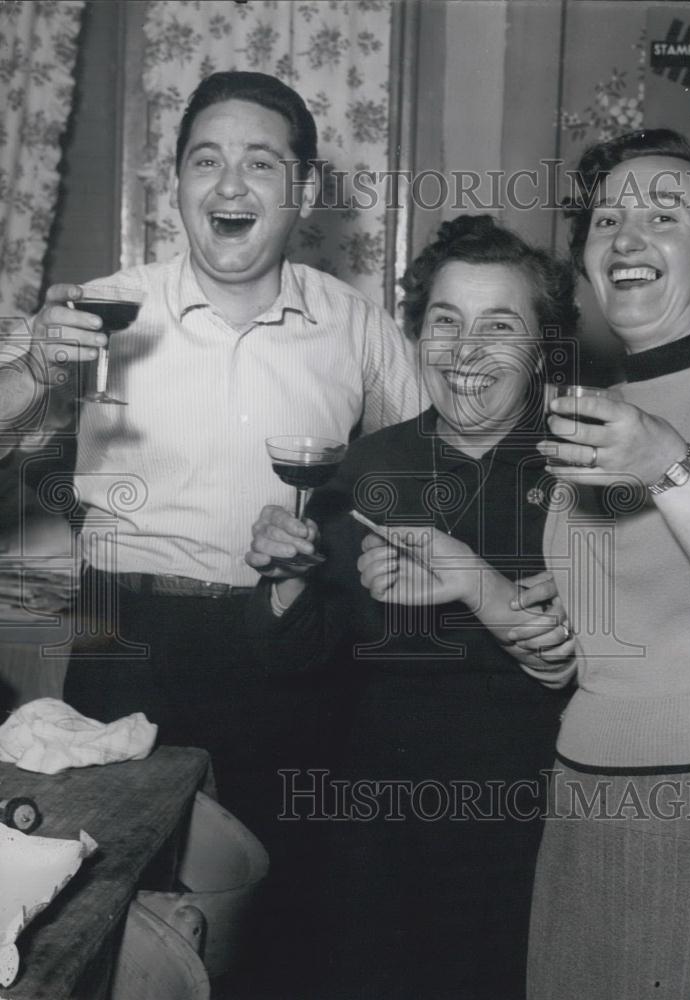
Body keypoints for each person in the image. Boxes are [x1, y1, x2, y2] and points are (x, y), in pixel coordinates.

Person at [0, 71, 421, 829]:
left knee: (283, 903)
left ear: (303, 184)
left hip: (291, 643)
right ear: (176, 181)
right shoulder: (102, 307)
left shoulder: (356, 327)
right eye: (205, 160)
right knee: (112, 883)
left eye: (259, 161)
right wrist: (31, 371)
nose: (229, 185)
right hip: (122, 636)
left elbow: (430, 474)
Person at [246, 214, 577, 999]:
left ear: (542, 347)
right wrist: (286, 577)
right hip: (376, 826)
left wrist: (475, 579)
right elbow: (296, 658)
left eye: (498, 326)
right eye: (444, 323)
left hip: (534, 824)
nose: (464, 352)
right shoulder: (367, 462)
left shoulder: (586, 471)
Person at [525, 129, 690, 999]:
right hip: (582, 793)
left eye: (664, 217)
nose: (626, 238)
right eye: (607, 220)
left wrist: (669, 468)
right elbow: (622, 623)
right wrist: (541, 626)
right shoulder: (596, 408)